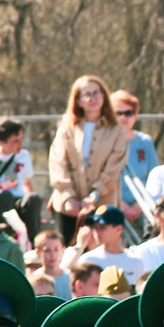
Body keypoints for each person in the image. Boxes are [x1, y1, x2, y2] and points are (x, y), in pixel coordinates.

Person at [49, 75, 132, 239]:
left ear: (103, 96)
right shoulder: (66, 128)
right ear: (78, 101)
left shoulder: (117, 131)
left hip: (102, 203)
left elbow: (115, 167)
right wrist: (69, 196)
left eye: (96, 93)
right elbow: (58, 163)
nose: (92, 98)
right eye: (87, 94)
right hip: (68, 207)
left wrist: (96, 194)